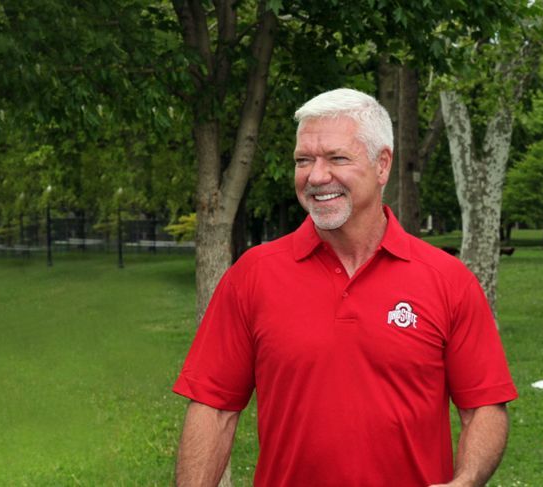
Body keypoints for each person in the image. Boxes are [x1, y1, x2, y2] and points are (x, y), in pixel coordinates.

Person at [173, 88, 518, 487]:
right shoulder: (254, 274)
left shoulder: (447, 279)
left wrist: (466, 480)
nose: (317, 177)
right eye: (304, 161)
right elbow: (214, 409)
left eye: (337, 158)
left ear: (382, 165)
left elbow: (484, 407)